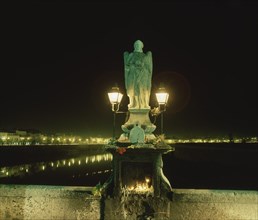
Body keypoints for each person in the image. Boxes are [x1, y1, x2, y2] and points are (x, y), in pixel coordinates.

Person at [124, 40, 153, 109]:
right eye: (136, 44)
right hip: (133, 75)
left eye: (139, 44)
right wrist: (132, 67)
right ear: (134, 46)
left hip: (143, 76)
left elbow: (148, 69)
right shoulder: (131, 55)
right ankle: (134, 104)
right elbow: (127, 66)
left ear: (142, 46)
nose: (137, 45)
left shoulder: (145, 56)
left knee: (142, 89)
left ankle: (144, 104)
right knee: (133, 89)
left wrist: (142, 67)